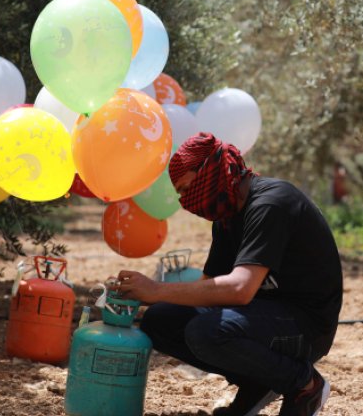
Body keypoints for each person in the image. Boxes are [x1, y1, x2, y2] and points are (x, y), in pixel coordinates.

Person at [116, 132, 343, 416]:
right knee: (161, 321)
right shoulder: (226, 218)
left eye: (188, 188)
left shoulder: (271, 204)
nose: (187, 201)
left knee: (207, 332)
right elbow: (209, 289)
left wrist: (157, 290)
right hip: (265, 317)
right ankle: (258, 381)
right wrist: (142, 299)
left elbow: (239, 289)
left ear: (210, 170)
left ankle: (304, 386)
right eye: (182, 194)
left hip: (307, 326)